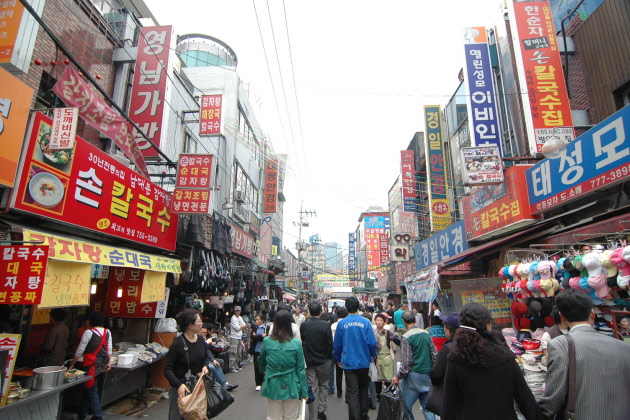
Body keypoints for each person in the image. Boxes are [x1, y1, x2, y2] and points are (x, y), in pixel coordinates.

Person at [538, 289, 630, 419]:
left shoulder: (560, 345)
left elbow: (552, 401)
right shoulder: (624, 347)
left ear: (562, 317)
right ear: (592, 314)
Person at [441, 303, 542, 420]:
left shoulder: (456, 358)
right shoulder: (505, 357)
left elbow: (449, 404)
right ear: (487, 326)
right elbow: (525, 399)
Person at [258, 309, 309, 420]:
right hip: (291, 383)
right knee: (290, 416)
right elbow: (300, 369)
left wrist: (263, 370)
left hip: (272, 382)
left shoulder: (267, 341)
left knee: (273, 416)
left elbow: (261, 360)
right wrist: (304, 392)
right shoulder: (296, 343)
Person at [333, 296, 377, 420]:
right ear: (358, 307)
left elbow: (337, 345)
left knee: (352, 392)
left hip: (349, 362)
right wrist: (373, 354)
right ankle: (364, 415)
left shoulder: (342, 323)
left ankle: (355, 417)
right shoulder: (365, 322)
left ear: (346, 308)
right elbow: (372, 342)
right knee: (363, 389)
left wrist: (338, 358)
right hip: (364, 361)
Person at [164, 309, 211, 420]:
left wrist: (205, 366)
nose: (201, 324)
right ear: (191, 326)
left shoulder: (201, 340)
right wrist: (179, 385)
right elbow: (167, 369)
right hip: (181, 390)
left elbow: (206, 357)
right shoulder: (177, 344)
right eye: (199, 321)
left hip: (197, 388)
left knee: (198, 416)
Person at [391, 310, 437, 420]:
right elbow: (435, 355)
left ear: (403, 321)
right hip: (427, 375)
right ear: (415, 320)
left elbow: (406, 363)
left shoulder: (406, 337)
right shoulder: (426, 334)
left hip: (412, 377)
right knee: (428, 408)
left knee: (405, 408)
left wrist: (398, 376)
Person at [68, 311, 111, 420]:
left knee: (91, 390)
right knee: (88, 388)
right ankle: (82, 413)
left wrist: (72, 364)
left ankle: (98, 416)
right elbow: (109, 350)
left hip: (91, 365)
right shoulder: (107, 332)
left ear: (91, 321)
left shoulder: (89, 332)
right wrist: (108, 363)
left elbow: (80, 350)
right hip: (102, 365)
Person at [301, 302, 333, 420]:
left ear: (309, 311)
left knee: (312, 387)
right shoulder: (325, 325)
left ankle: (312, 415)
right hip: (324, 360)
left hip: (310, 360)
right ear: (320, 312)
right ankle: (321, 410)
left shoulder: (304, 325)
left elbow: (303, 341)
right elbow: (330, 344)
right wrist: (329, 356)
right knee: (323, 385)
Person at [428, 313, 460, 416]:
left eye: (445, 327)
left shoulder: (448, 348)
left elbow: (436, 375)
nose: (444, 329)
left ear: (450, 330)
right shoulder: (472, 345)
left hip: (450, 398)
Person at [198, 324, 237, 392]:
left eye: (205, 333)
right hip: (201, 361)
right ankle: (223, 384)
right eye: (202, 333)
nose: (204, 334)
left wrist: (213, 360)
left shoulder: (204, 339)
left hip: (207, 359)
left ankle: (221, 382)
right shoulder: (198, 340)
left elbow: (208, 351)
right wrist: (206, 343)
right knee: (213, 367)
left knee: (220, 362)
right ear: (199, 332)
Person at [373, 312, 400, 398]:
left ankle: (388, 396)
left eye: (381, 320)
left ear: (384, 322)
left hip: (387, 358)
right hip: (377, 359)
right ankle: (378, 395)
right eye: (377, 320)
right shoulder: (372, 333)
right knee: (377, 379)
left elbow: (398, 341)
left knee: (388, 379)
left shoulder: (388, 333)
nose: (379, 322)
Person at [329, 306, 347, 398]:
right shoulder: (347, 324)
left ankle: (338, 391)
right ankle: (348, 393)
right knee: (347, 371)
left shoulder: (333, 325)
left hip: (335, 348)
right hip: (346, 349)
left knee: (337, 371)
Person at [250, 314, 269, 391]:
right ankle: (258, 383)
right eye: (256, 319)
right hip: (256, 350)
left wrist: (257, 336)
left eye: (258, 319)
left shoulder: (267, 328)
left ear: (262, 320)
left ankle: (264, 379)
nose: (256, 321)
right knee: (257, 367)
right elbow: (252, 337)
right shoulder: (254, 328)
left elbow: (267, 337)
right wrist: (261, 336)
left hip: (265, 350)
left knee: (265, 366)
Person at [229, 306, 247, 372]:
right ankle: (232, 367)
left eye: (238, 310)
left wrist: (241, 326)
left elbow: (245, 325)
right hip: (234, 337)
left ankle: (236, 366)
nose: (237, 312)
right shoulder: (233, 318)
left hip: (239, 337)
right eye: (236, 310)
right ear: (234, 311)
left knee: (239, 353)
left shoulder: (240, 318)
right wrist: (242, 326)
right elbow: (237, 328)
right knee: (233, 352)